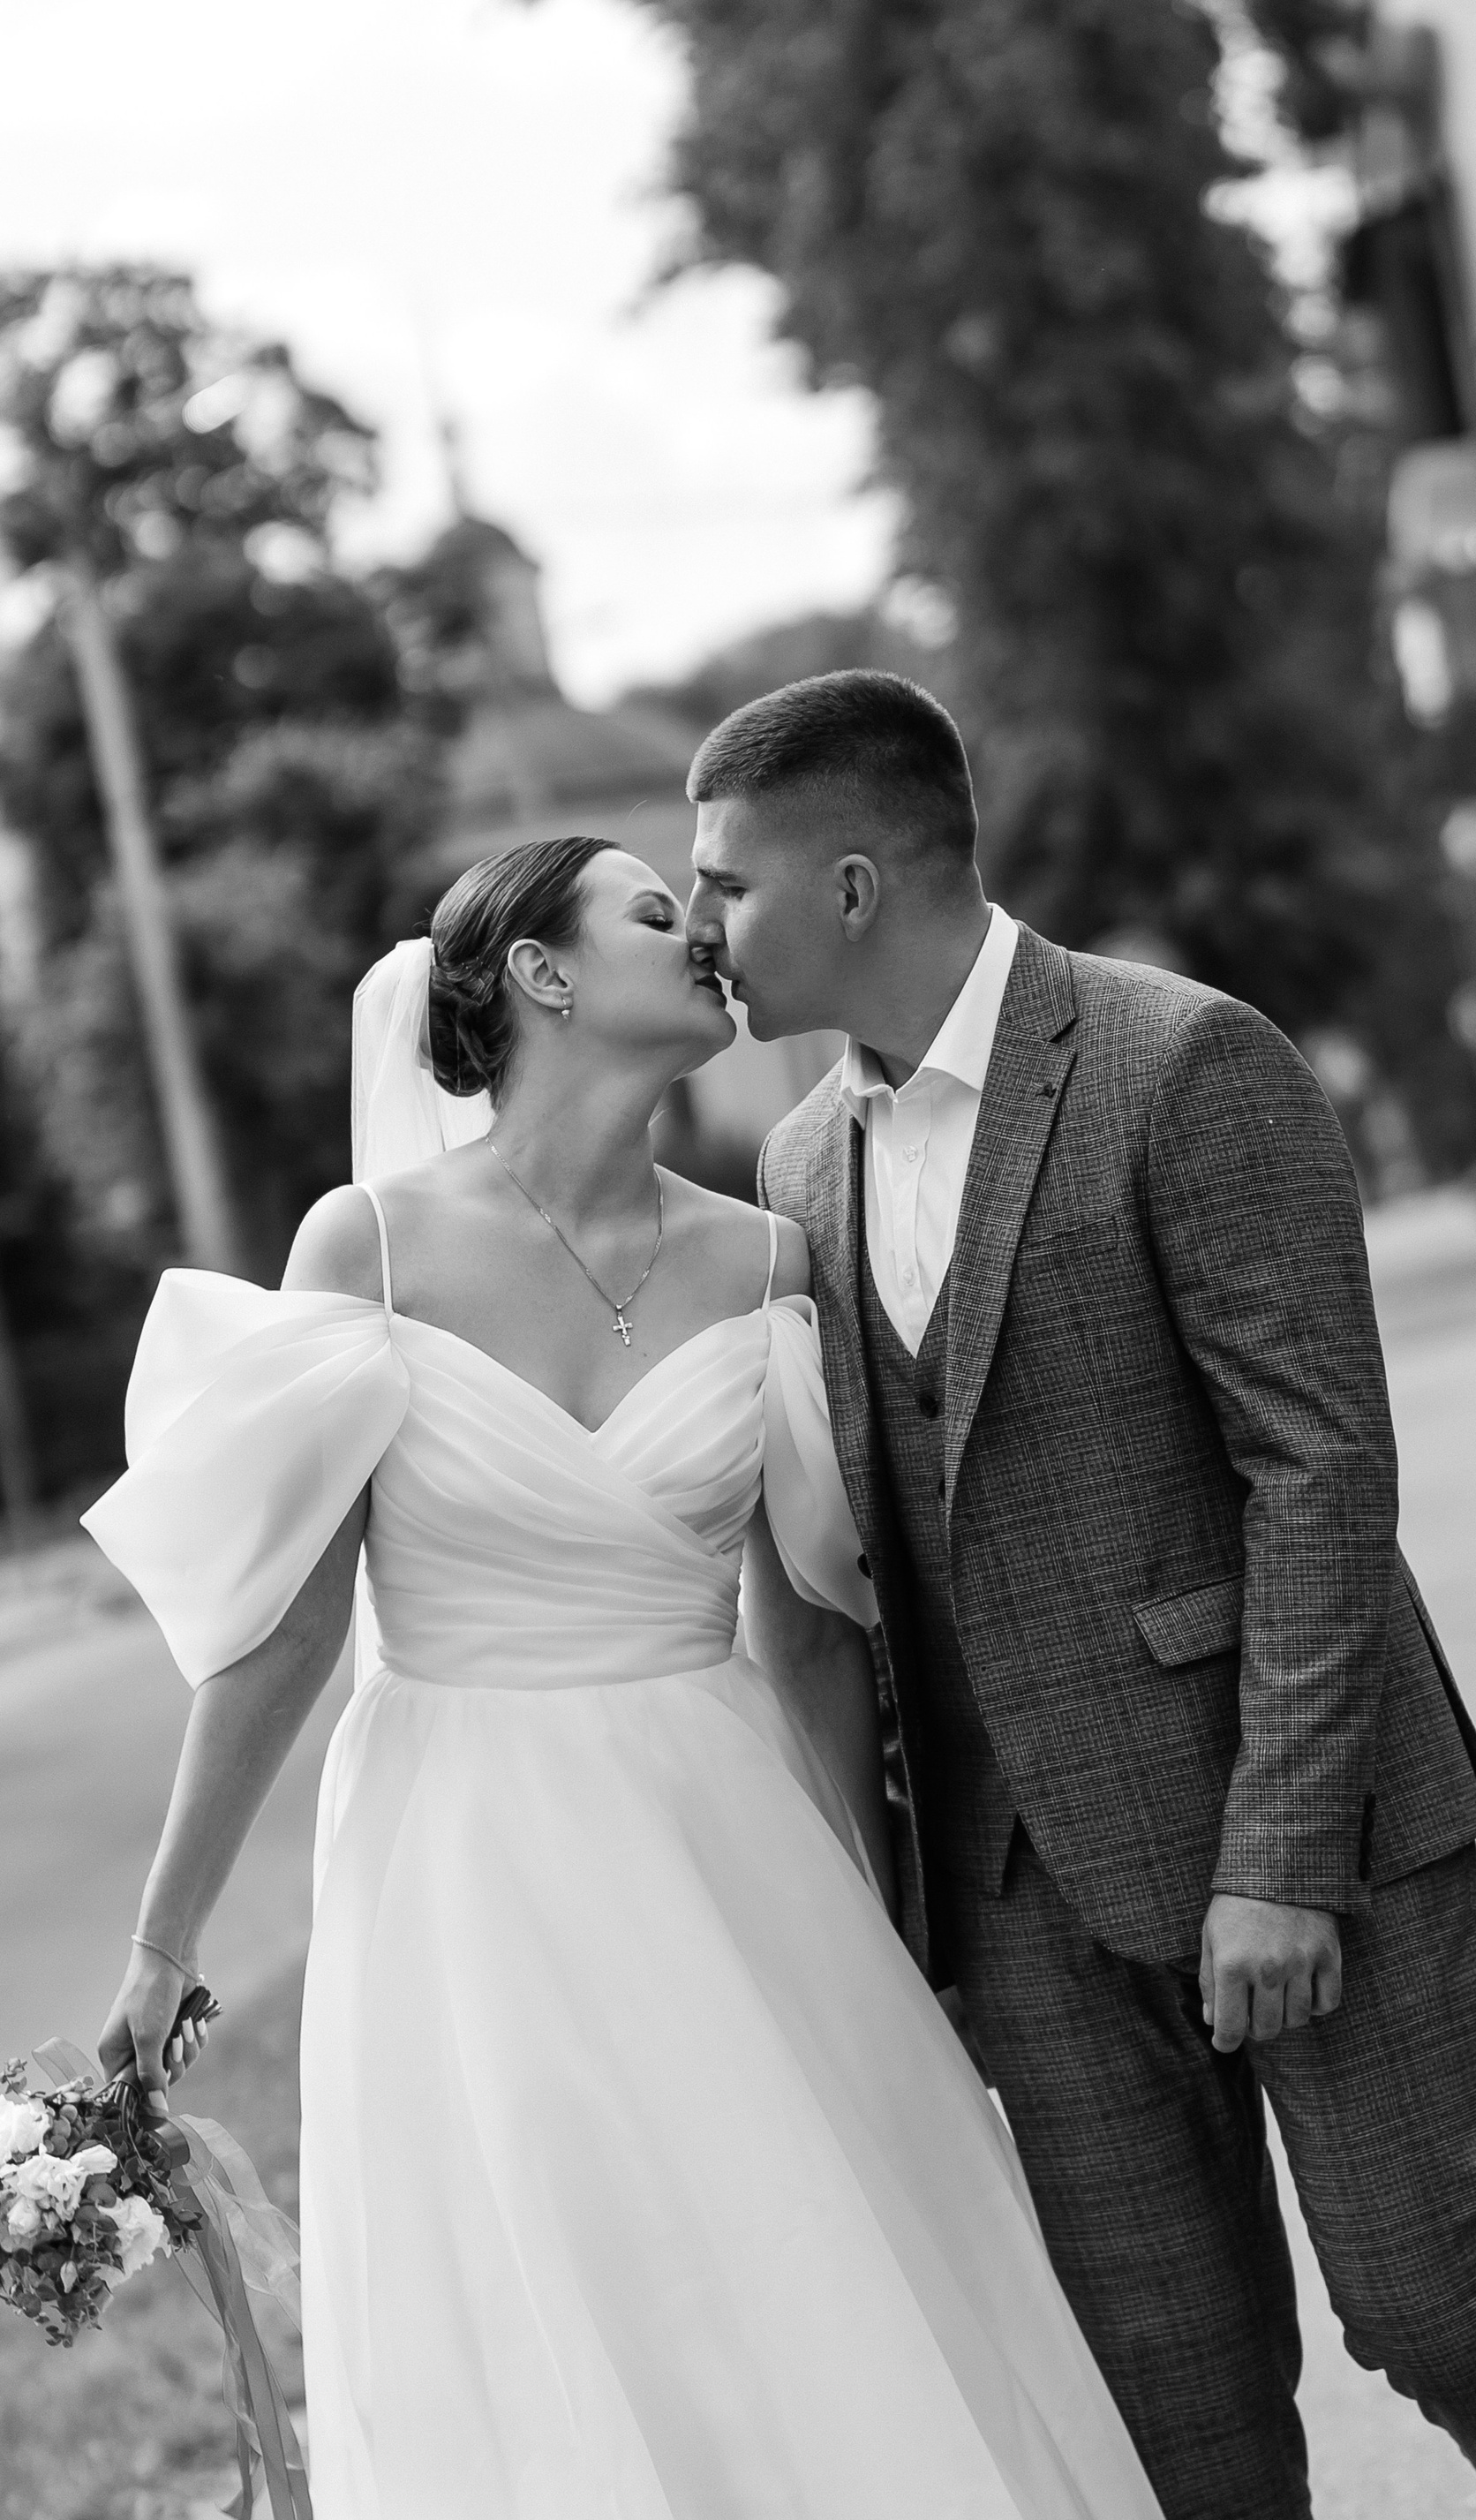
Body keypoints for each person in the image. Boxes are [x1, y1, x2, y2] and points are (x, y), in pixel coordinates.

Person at [85, 834, 1165, 2519]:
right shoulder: (369, 1248)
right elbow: (286, 1628)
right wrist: (165, 1942)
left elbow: (808, 1627)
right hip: (463, 1870)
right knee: (557, 2303)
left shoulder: (766, 1257)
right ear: (543, 972)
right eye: (659, 912)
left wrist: (882, 1923)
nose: (708, 933)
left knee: (801, 2278)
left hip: (725, 1841)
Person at [685, 668, 1476, 2520]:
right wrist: (921, 1923)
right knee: (1177, 2443)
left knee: (1441, 2309)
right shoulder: (797, 1167)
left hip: (1306, 1841)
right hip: (1029, 1910)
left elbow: (1321, 1471)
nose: (700, 923)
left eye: (723, 881)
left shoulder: (1181, 1061)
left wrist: (1279, 1858)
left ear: (853, 885)